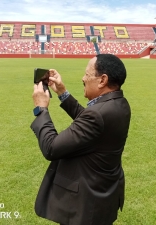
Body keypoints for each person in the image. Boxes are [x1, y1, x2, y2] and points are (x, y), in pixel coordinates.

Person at [30, 54, 131, 225]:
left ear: (102, 80)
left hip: (86, 206)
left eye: (87, 74)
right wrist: (62, 92)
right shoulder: (120, 103)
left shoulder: (98, 114)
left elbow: (51, 148)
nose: (83, 78)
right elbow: (88, 120)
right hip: (103, 196)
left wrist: (41, 109)